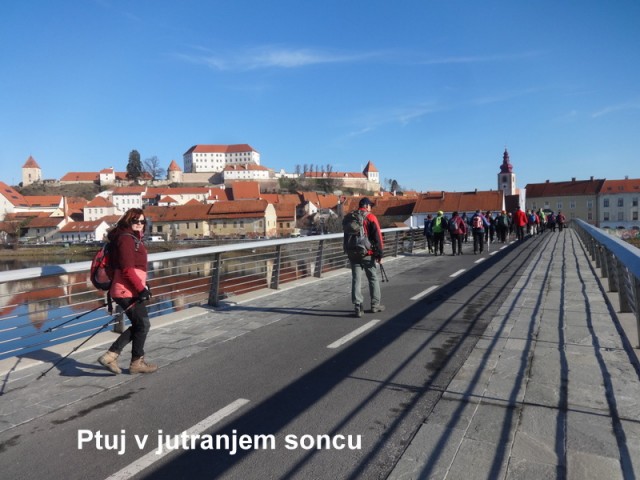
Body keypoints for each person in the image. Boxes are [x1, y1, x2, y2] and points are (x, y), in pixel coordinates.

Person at [98, 208, 157, 374]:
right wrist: (141, 289)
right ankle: (130, 360)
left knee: (141, 324)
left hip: (130, 288)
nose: (139, 224)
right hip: (126, 290)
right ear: (128, 221)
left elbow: (133, 269)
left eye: (142, 221)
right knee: (143, 324)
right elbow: (127, 269)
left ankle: (115, 356)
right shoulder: (126, 239)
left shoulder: (131, 238)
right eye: (135, 221)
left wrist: (143, 285)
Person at [345, 198, 385, 318]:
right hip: (367, 253)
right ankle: (375, 305)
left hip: (352, 252)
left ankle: (358, 307)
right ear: (366, 206)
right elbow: (378, 237)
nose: (371, 208)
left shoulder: (350, 217)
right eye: (370, 206)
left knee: (356, 279)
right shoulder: (370, 217)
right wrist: (379, 254)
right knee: (372, 278)